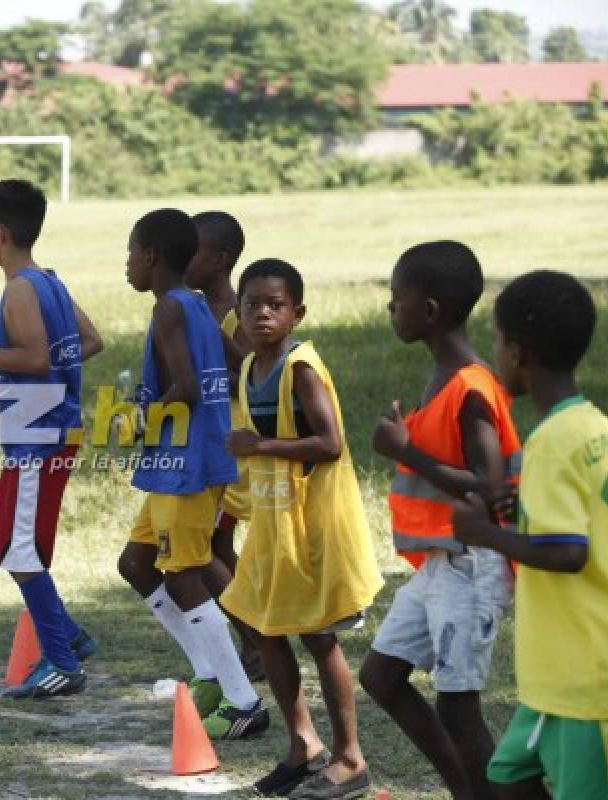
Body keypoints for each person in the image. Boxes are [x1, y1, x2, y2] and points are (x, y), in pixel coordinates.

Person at [452, 270, 608, 800]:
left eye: (496, 342)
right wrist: (523, 510)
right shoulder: (593, 424)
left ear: (518, 351)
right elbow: (591, 516)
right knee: (508, 776)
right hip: (559, 675)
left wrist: (484, 532)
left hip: (591, 679)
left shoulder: (552, 441)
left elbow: (568, 551)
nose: (494, 354)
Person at [359, 241, 520, 800]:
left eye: (395, 298)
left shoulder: (472, 386)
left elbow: (493, 489)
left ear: (429, 310)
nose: (390, 308)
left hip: (473, 566)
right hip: (438, 563)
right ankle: (467, 790)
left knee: (459, 708)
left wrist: (408, 452)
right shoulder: (444, 377)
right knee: (380, 675)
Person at [220, 259, 383, 798]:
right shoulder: (250, 368)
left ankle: (350, 758)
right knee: (265, 629)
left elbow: (329, 442)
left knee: (318, 636)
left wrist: (259, 446)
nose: (262, 314)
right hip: (273, 521)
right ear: (238, 313)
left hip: (311, 524)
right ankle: (303, 746)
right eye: (252, 305)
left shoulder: (301, 367)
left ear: (297, 314)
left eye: (275, 305)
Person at [0, 179, 103, 699]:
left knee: (19, 548)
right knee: (0, 535)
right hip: (48, 431)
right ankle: (70, 636)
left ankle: (61, 660)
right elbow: (90, 340)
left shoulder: (21, 288)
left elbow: (35, 357)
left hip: (40, 437)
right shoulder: (50, 280)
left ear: (0, 233)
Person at [117, 209, 266, 737]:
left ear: (151, 257)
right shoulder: (196, 303)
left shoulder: (171, 312)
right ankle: (207, 672)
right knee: (136, 563)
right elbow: (235, 361)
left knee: (183, 574)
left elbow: (189, 387)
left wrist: (139, 417)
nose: (127, 264)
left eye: (131, 253)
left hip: (187, 463)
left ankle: (244, 700)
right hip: (176, 462)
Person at [183, 209, 264, 682]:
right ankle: (253, 639)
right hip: (201, 443)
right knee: (213, 545)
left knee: (205, 547)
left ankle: (256, 641)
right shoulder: (192, 307)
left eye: (193, 251)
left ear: (221, 259)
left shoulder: (237, 315)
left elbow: (247, 378)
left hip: (226, 449)